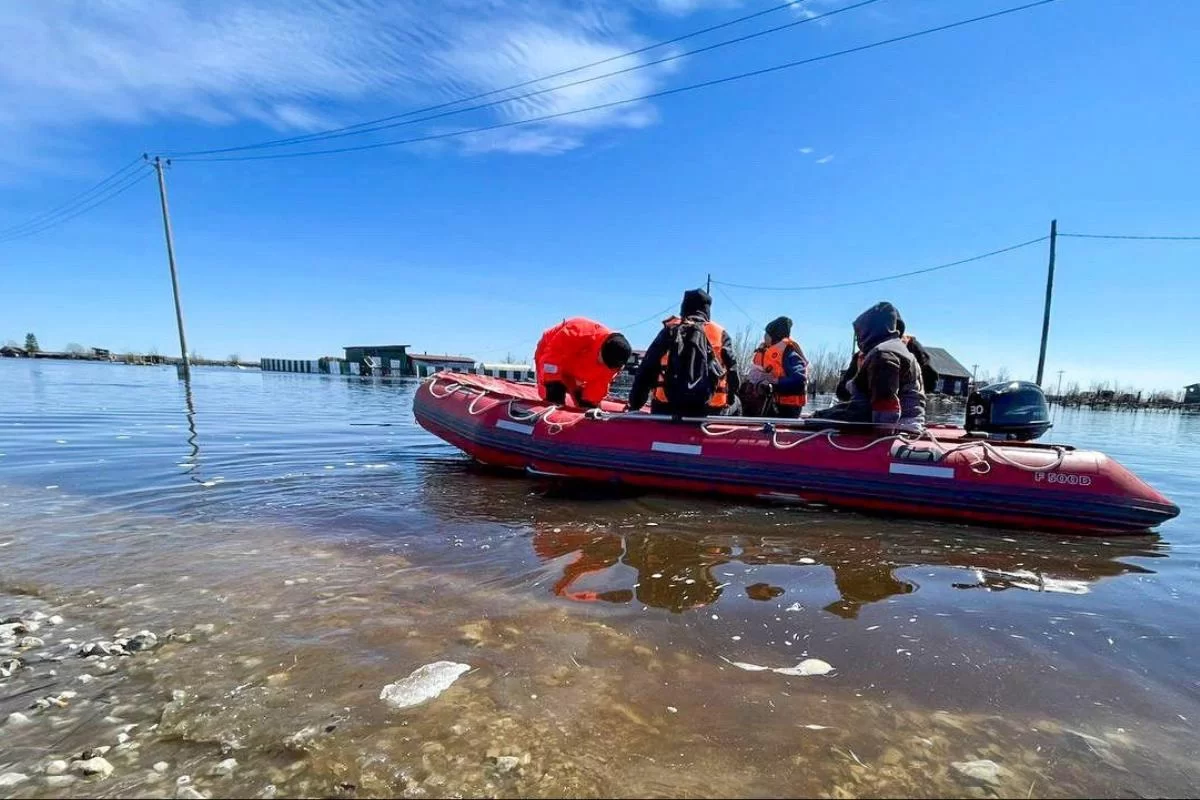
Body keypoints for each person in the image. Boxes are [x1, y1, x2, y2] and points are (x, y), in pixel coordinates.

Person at [628, 289, 741, 416]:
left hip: (666, 408)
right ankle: (731, 427)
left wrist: (635, 404)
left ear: (683, 309)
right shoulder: (720, 334)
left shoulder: (669, 331)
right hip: (710, 411)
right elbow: (733, 373)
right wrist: (730, 398)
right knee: (737, 403)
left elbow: (646, 370)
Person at [815, 301, 925, 426]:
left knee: (820, 417)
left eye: (859, 333)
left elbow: (885, 401)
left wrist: (882, 430)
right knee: (829, 413)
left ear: (869, 330)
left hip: (896, 423)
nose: (858, 338)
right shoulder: (897, 349)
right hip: (911, 419)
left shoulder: (883, 354)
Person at [533, 317, 632, 409]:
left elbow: (599, 384)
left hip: (577, 369)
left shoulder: (615, 362)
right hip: (550, 352)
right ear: (601, 350)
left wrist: (590, 403)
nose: (604, 366)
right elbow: (550, 360)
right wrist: (553, 387)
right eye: (604, 362)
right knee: (552, 393)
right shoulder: (578, 331)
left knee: (585, 402)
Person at [836, 322, 937, 401]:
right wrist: (858, 380)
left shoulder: (911, 346)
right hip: (869, 408)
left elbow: (931, 382)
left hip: (904, 409)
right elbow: (842, 392)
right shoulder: (862, 355)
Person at [747, 316, 808, 419]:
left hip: (788, 408)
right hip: (773, 403)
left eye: (767, 334)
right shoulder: (766, 351)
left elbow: (799, 381)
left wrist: (775, 382)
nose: (764, 336)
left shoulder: (789, 354)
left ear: (774, 336)